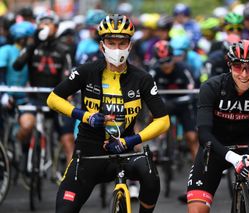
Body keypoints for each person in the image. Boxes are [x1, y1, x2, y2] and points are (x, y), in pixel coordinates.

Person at [46, 14, 170, 213]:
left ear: (130, 45)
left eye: (122, 43)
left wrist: (131, 141)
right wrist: (85, 116)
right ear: (102, 45)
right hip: (88, 152)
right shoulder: (86, 71)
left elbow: (163, 121)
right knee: (64, 209)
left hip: (125, 150)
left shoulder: (142, 78)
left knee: (151, 177)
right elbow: (53, 99)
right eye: (111, 43)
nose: (117, 49)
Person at [187, 40, 249, 213]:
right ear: (229, 66)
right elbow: (204, 134)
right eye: (238, 67)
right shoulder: (211, 87)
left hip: (247, 143)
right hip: (214, 146)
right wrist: (234, 159)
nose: (244, 74)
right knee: (197, 210)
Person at [13, 10, 75, 166]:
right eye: (42, 23)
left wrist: (66, 96)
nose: (45, 26)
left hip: (56, 99)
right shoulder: (32, 45)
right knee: (26, 126)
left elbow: (67, 77)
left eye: (49, 23)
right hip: (34, 98)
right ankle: (21, 150)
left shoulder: (63, 48)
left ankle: (70, 181)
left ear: (56, 27)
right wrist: (33, 44)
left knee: (68, 140)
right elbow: (17, 65)